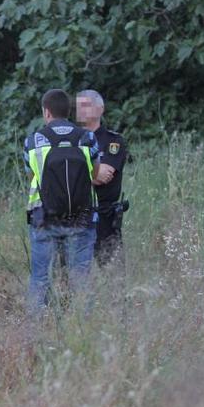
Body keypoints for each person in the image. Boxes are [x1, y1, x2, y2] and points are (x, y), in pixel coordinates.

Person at [24, 89, 101, 315]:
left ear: (46, 112)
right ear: (69, 111)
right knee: (80, 278)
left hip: (43, 216)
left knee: (40, 278)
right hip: (81, 216)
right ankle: (82, 329)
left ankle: (39, 330)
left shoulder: (34, 141)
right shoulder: (87, 138)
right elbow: (95, 173)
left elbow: (32, 175)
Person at [76, 90, 130, 268]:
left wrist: (76, 173)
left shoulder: (113, 141)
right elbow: (94, 174)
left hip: (105, 216)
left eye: (86, 105)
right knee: (74, 272)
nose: (80, 110)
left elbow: (104, 175)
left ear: (100, 109)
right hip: (76, 214)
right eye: (78, 106)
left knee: (112, 273)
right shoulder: (71, 139)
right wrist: (91, 172)